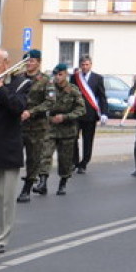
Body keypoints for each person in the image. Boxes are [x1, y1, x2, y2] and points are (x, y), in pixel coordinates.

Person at [0, 48, 31, 254]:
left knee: (4, 200)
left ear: (6, 64)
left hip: (7, 148)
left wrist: (0, 86)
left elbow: (16, 107)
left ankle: (0, 239)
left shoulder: (21, 84)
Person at [45, 63, 84, 195]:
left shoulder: (73, 90)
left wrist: (66, 117)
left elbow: (81, 109)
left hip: (67, 130)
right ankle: (42, 182)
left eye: (60, 74)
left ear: (66, 74)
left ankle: (63, 183)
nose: (57, 77)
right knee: (45, 155)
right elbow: (43, 104)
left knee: (65, 160)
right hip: (51, 128)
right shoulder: (50, 89)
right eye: (55, 74)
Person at [17, 50, 51, 202]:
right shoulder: (18, 78)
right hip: (18, 124)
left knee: (33, 158)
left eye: (31, 61)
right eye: (26, 61)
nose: (29, 64)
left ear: (38, 62)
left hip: (36, 127)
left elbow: (50, 102)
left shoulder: (46, 80)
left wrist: (31, 112)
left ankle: (27, 188)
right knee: (12, 156)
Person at [72, 56, 107, 173]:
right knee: (73, 138)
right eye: (83, 65)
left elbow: (102, 97)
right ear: (80, 65)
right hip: (76, 114)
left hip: (90, 114)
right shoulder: (75, 77)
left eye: (87, 64)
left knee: (88, 140)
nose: (85, 67)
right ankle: (74, 162)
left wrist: (104, 113)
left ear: (91, 65)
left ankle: (84, 163)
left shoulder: (98, 78)